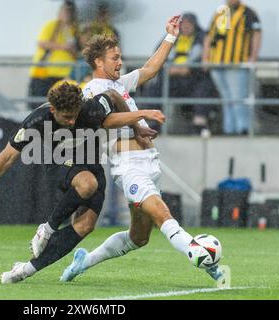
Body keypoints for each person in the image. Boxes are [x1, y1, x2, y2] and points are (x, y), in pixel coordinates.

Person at [60, 17, 225, 283]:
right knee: (163, 213)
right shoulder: (92, 90)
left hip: (149, 161)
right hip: (128, 164)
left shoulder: (117, 85)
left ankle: (84, 261)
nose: (119, 62)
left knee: (139, 237)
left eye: (120, 57)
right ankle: (202, 257)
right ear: (98, 62)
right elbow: (103, 121)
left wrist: (170, 38)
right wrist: (142, 115)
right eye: (114, 58)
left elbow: (149, 69)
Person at [0, 82, 165, 283]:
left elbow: (113, 95)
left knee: (85, 226)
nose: (73, 122)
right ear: (53, 110)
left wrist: (137, 127)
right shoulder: (37, 120)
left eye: (75, 116)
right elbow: (7, 157)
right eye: (67, 117)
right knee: (87, 185)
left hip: (92, 165)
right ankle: (47, 227)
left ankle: (25, 270)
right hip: (60, 165)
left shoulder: (90, 108)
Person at [147, 13, 218, 134]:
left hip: (193, 78)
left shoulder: (202, 39)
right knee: (154, 88)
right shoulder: (171, 37)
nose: (186, 26)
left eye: (189, 23)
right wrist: (168, 68)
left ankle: (199, 123)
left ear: (195, 25)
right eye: (183, 23)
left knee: (205, 87)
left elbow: (206, 61)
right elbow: (158, 55)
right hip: (172, 78)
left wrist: (190, 69)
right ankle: (154, 122)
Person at [202, 0, 262, 135]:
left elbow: (256, 34)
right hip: (217, 62)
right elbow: (210, 35)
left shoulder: (249, 13)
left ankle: (242, 129)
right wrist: (205, 57)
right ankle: (229, 129)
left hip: (237, 63)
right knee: (226, 99)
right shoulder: (221, 12)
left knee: (238, 98)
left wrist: (253, 57)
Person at [27, 0, 80, 110]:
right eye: (65, 11)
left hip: (64, 74)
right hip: (45, 73)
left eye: (70, 12)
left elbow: (77, 51)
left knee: (60, 105)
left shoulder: (74, 30)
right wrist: (64, 47)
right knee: (40, 105)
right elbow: (42, 43)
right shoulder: (52, 25)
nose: (68, 14)